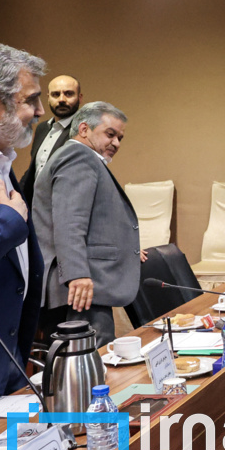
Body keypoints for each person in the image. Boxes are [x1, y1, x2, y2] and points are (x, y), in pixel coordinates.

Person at [33, 101, 140, 345]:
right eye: (110, 134)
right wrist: (77, 275)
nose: (116, 143)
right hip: (78, 289)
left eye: (120, 138)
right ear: (84, 129)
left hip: (83, 287)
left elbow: (94, 222)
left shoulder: (83, 158)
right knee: (89, 361)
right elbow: (70, 222)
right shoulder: (78, 156)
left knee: (92, 359)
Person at [0, 42, 45, 406]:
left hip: (7, 363)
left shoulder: (1, 160)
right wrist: (5, 224)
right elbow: (6, 227)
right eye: (31, 100)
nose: (41, 111)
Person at [20, 73, 80, 212]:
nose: (61, 99)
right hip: (34, 209)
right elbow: (35, 169)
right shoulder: (42, 128)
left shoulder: (84, 132)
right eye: (55, 94)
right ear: (48, 98)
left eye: (68, 94)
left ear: (80, 97)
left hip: (63, 210)